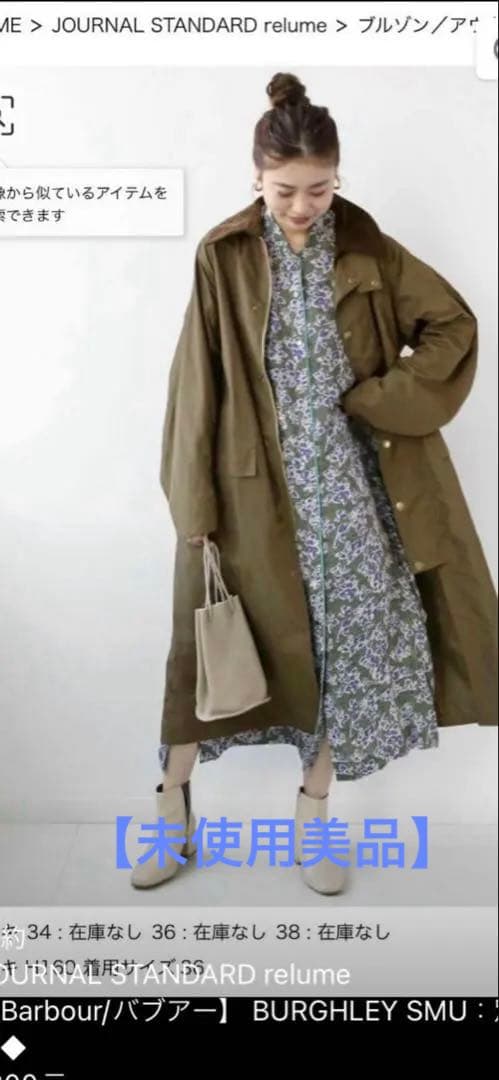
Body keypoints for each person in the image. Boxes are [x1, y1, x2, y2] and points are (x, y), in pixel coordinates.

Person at [131, 72, 497, 894]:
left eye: (320, 189)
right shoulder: (225, 255)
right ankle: (171, 811)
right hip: (250, 495)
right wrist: (194, 502)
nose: (303, 206)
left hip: (356, 493)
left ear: (337, 177)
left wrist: (379, 398)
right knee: (206, 655)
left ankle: (313, 817)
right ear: (256, 178)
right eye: (286, 190)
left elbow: (452, 324)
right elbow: (196, 384)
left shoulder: (366, 248)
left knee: (340, 656)